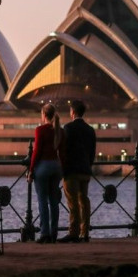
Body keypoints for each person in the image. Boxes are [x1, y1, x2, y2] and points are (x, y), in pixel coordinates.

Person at [58, 99, 96, 243]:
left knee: (73, 202)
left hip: (71, 171)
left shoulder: (68, 128)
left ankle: (73, 232)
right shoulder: (90, 130)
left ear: (72, 112)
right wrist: (88, 165)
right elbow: (92, 152)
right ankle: (84, 232)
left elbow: (64, 150)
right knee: (84, 201)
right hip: (85, 171)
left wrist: (62, 168)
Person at [27, 103, 63, 244]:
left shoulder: (40, 130)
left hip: (43, 167)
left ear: (43, 115)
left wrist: (31, 170)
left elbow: (36, 152)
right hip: (56, 166)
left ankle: (45, 234)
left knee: (42, 200)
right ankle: (54, 233)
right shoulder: (59, 130)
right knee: (54, 201)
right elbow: (63, 151)